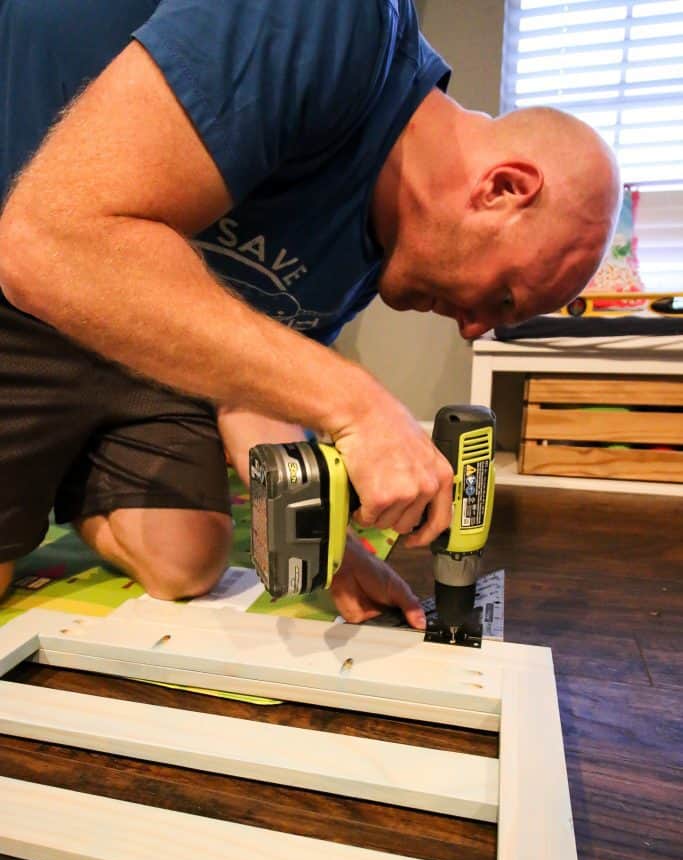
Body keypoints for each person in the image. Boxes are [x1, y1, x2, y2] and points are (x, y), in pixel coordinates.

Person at [0, 0, 620, 625]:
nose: (473, 327)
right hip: (31, 281)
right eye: (504, 297)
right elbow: (43, 243)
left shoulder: (370, 249)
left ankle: (69, 473)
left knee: (185, 562)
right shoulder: (336, 19)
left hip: (138, 328)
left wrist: (334, 549)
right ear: (503, 188)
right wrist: (360, 405)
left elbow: (253, 388)